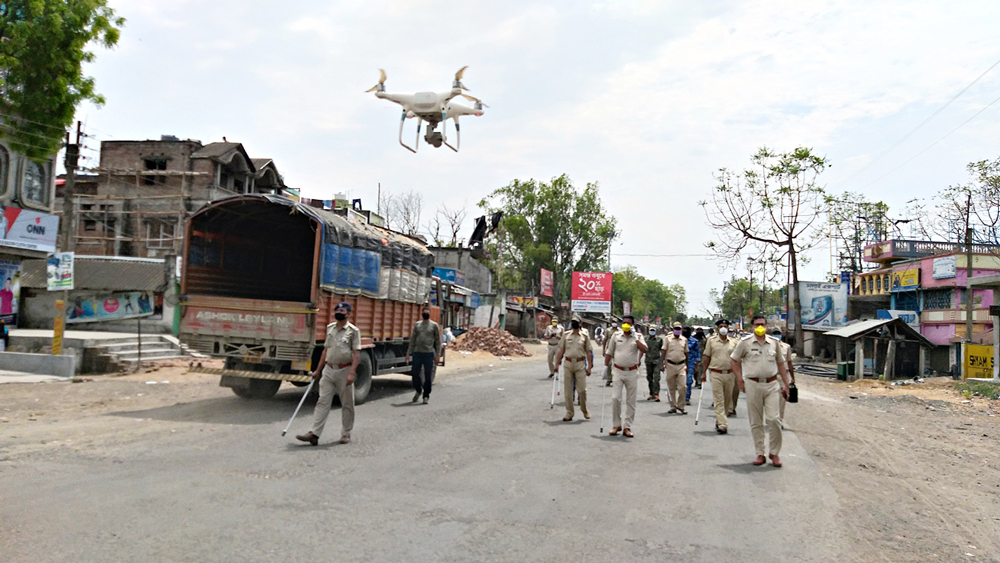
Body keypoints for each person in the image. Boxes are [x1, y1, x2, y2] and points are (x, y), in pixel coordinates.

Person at [296, 302, 361, 446]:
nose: (339, 311)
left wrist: (351, 373)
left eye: (342, 310)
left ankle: (346, 434)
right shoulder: (330, 328)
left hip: (344, 370)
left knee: (347, 404)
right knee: (322, 401)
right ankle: (314, 433)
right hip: (329, 370)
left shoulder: (353, 331)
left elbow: (356, 354)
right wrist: (318, 370)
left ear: (348, 313)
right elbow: (325, 350)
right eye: (337, 309)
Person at [730, 315, 791, 467]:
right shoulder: (744, 343)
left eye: (762, 324)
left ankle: (774, 453)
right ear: (752, 327)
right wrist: (739, 379)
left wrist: (786, 384)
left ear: (767, 326)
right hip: (753, 384)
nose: (760, 327)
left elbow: (781, 364)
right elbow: (734, 360)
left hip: (771, 384)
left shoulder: (774, 343)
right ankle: (760, 453)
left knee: (774, 419)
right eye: (757, 324)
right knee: (756, 421)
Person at [604, 314, 647, 437]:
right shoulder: (616, 335)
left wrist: (635, 337)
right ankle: (616, 424)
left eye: (628, 323)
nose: (626, 325)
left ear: (633, 325)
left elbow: (644, 349)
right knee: (615, 398)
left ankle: (627, 427)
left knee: (630, 401)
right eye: (624, 323)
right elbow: (609, 351)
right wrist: (605, 367)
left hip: (632, 372)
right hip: (617, 371)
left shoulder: (638, 336)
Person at [702, 318, 739, 434]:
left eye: (725, 326)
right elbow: (707, 357)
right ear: (717, 328)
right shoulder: (711, 341)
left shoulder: (734, 342)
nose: (723, 328)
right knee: (719, 399)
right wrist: (703, 372)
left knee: (728, 400)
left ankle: (720, 420)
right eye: (721, 326)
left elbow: (738, 359)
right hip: (716, 373)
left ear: (728, 328)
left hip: (730, 374)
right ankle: (723, 424)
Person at [554, 317, 594, 421]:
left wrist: (589, 366)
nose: (574, 324)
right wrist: (556, 364)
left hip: (580, 364)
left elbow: (588, 352)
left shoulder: (584, 336)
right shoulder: (566, 335)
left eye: (576, 322)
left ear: (580, 324)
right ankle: (569, 413)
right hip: (568, 363)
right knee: (568, 390)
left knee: (582, 390)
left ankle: (584, 409)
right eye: (573, 322)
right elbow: (561, 350)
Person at [406, 305, 441, 404]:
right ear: (422, 314)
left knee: (428, 375)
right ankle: (418, 390)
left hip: (428, 354)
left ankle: (426, 396)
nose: (425, 313)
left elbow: (437, 341)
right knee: (415, 374)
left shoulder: (434, 326)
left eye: (427, 312)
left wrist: (438, 354)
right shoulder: (417, 325)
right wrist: (408, 352)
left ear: (430, 314)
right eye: (424, 312)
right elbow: (413, 340)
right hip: (417, 353)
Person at [660, 321, 688, 414]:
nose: (677, 330)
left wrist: (687, 365)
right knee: (671, 387)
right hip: (670, 365)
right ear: (673, 329)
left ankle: (681, 406)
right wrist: (662, 364)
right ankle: (673, 406)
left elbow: (686, 353)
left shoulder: (684, 339)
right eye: (676, 329)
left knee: (683, 386)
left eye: (679, 329)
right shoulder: (667, 339)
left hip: (681, 365)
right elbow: (663, 351)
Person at [772, 328, 795, 428]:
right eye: (775, 333)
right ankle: (772, 418)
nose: (777, 335)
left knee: (782, 399)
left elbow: (789, 363)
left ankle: (779, 420)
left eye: (778, 333)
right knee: (771, 399)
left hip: (782, 376)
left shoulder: (786, 347)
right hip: (770, 375)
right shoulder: (768, 345)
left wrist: (792, 378)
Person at [644, 326, 663, 401]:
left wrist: (663, 362)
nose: (652, 331)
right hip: (648, 360)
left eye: (653, 330)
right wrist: (638, 359)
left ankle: (656, 394)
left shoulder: (659, 340)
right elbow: (642, 350)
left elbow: (662, 350)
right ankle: (651, 393)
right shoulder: (645, 339)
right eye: (651, 330)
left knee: (656, 378)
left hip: (657, 360)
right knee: (649, 378)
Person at [683, 325, 700, 405]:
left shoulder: (694, 341)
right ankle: (680, 398)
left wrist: (696, 366)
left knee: (689, 381)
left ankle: (687, 398)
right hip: (680, 363)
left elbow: (697, 354)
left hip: (690, 363)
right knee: (680, 382)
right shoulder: (679, 340)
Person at [603, 321, 619, 387]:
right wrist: (603, 350)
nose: (614, 323)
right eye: (613, 322)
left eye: (615, 322)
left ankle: (616, 378)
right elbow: (605, 340)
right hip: (609, 349)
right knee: (608, 364)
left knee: (617, 364)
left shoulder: (620, 330)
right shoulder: (608, 330)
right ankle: (609, 379)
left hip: (617, 349)